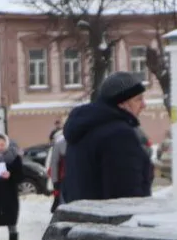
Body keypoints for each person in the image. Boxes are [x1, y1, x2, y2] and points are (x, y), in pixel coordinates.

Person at [61, 72, 153, 204]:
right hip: (109, 222)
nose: (144, 105)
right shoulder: (119, 135)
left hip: (81, 218)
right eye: (138, 99)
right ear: (122, 103)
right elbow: (126, 195)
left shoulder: (84, 128)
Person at [47, 130, 68, 213]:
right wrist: (55, 181)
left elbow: (53, 164)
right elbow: (54, 164)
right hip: (64, 178)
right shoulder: (59, 144)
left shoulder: (59, 144)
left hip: (63, 178)